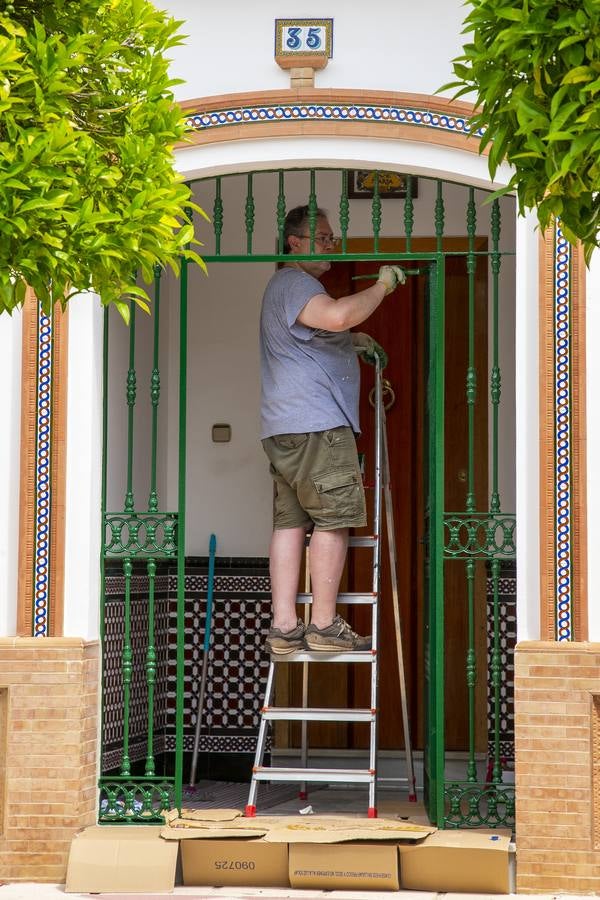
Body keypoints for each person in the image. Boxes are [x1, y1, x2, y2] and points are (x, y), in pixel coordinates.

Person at [259, 204, 405, 654]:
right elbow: (339, 315)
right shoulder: (297, 282)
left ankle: (284, 627)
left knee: (289, 523)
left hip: (284, 428)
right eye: (322, 237)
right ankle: (323, 624)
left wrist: (350, 343)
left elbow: (318, 335)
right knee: (333, 520)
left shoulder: (281, 287)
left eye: (331, 237)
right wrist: (382, 286)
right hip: (319, 427)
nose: (331, 245)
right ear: (294, 243)